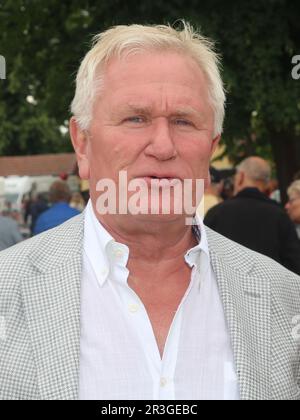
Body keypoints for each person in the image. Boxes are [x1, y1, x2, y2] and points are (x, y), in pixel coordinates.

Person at [0, 23, 299, 401]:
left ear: (210, 148)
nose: (162, 145)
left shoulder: (286, 298)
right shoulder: (6, 291)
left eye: (183, 121)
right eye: (135, 118)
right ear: (82, 143)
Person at [205, 156, 300, 275]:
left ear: (241, 177)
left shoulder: (216, 213)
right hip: (270, 290)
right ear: (266, 183)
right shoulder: (280, 216)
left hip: (225, 290)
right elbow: (294, 265)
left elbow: (203, 258)